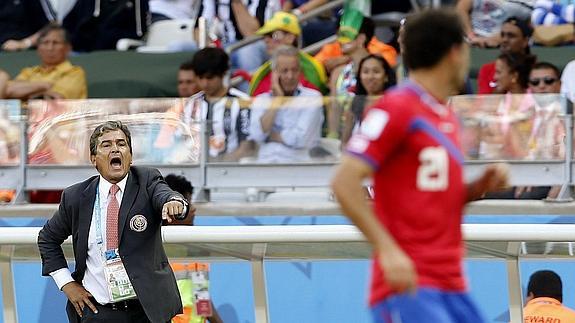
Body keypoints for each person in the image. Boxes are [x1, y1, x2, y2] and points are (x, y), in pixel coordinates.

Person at [331, 9, 509, 323]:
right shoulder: (397, 106)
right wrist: (387, 250)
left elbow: (434, 197)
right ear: (455, 52)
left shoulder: (445, 115)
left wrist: (477, 188)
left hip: (450, 282)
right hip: (409, 283)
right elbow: (343, 183)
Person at [38, 120, 189, 323]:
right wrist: (67, 284)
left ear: (130, 155)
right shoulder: (75, 197)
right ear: (94, 159)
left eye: (121, 143)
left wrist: (174, 202)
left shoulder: (147, 181)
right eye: (106, 145)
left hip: (146, 312)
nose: (115, 149)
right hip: (98, 311)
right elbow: (47, 239)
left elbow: (166, 194)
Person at [164, 174, 223, 323]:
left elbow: (201, 297)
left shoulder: (198, 249)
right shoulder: (154, 250)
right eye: (188, 202)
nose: (194, 208)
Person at [249, 45, 324, 163]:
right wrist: (277, 101)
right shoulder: (261, 100)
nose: (290, 76)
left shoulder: (313, 97)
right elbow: (257, 136)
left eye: (295, 70)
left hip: (298, 166)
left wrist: (272, 136)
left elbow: (302, 139)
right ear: (274, 74)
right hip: (265, 165)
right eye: (284, 71)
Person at [190, 47, 254, 162]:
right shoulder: (190, 104)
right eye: (200, 78)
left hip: (230, 171)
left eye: (210, 78)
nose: (205, 83)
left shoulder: (242, 102)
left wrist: (220, 165)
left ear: (223, 74)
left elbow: (247, 147)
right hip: (195, 171)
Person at [248, 11, 328, 96]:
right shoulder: (261, 73)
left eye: (273, 35)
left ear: (290, 38)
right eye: (265, 36)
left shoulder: (312, 69)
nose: (266, 40)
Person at [5, 23, 87, 100]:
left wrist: (25, 93)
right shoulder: (29, 72)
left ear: (68, 48)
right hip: (22, 114)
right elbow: (9, 90)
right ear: (38, 49)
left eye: (55, 43)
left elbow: (55, 98)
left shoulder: (75, 72)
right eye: (45, 43)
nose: (50, 48)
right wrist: (43, 85)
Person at [341, 54, 396, 145]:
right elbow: (345, 143)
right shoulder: (355, 104)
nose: (370, 77)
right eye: (365, 72)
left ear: (386, 76)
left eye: (376, 71)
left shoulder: (394, 103)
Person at [476, 17, 533, 94]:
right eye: (502, 35)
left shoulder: (534, 69)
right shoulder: (487, 69)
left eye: (511, 36)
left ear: (525, 41)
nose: (504, 40)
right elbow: (483, 100)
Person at [456, 0, 534, 48]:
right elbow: (461, 9)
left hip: (503, 46)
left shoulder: (526, 2)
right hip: (468, 41)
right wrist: (471, 36)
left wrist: (488, 41)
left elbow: (526, 27)